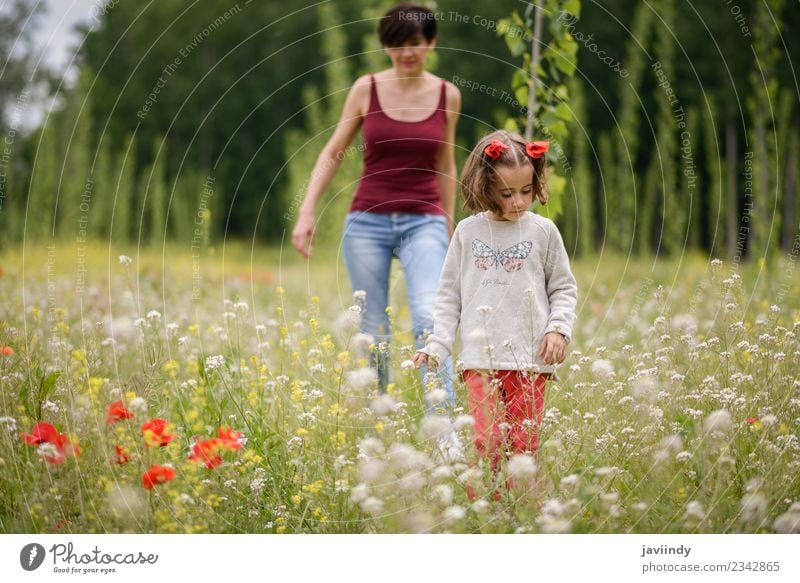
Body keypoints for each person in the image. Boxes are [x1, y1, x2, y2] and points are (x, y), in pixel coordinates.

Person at [291, 3, 461, 407]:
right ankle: (380, 415)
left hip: (425, 219)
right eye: (397, 44)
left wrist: (451, 226)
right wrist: (307, 210)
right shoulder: (365, 89)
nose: (406, 53)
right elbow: (333, 152)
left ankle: (444, 428)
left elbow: (446, 162)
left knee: (428, 317)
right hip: (367, 221)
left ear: (431, 43)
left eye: (415, 44)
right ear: (386, 46)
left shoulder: (447, 95)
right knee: (374, 326)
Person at [413, 129, 578, 478]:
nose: (518, 201)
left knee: (524, 445)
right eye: (507, 193)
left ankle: (524, 517)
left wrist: (558, 330)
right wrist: (438, 344)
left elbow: (563, 288)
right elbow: (449, 295)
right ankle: (486, 509)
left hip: (530, 360)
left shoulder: (543, 232)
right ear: (484, 186)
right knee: (486, 441)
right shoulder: (468, 233)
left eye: (526, 191)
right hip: (480, 358)